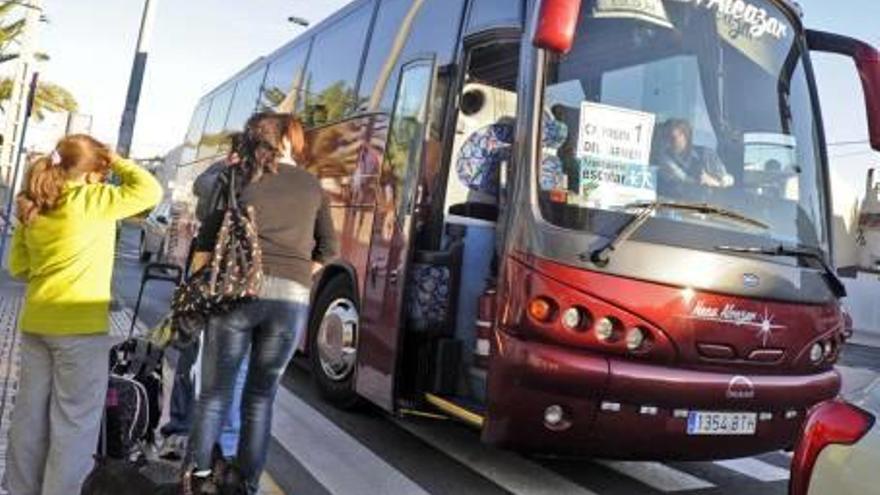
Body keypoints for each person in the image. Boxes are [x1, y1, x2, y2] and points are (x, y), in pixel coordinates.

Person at [184, 113, 338, 494]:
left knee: (214, 397)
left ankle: (200, 482)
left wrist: (195, 291)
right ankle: (246, 486)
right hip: (289, 299)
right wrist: (297, 277)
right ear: (289, 141)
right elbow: (329, 250)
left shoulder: (237, 178)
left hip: (236, 294)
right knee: (260, 398)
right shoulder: (312, 186)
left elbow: (206, 239)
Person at [4, 135, 162, 495]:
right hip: (80, 330)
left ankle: (20, 488)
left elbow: (18, 267)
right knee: (74, 424)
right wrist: (116, 159)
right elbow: (149, 190)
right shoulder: (95, 200)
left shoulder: (34, 206)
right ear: (93, 171)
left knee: (29, 417)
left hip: (36, 326)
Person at [159, 133, 249, 461]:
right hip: (208, 280)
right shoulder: (219, 175)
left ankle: (205, 440)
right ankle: (180, 431)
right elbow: (203, 188)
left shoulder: (265, 181)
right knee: (192, 352)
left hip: (236, 286)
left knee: (226, 366)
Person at [656, 118, 735, 190]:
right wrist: (700, 181)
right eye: (665, 138)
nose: (667, 143)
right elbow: (682, 178)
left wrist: (714, 182)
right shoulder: (664, 161)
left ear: (685, 136)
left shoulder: (707, 155)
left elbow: (728, 180)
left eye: (672, 138)